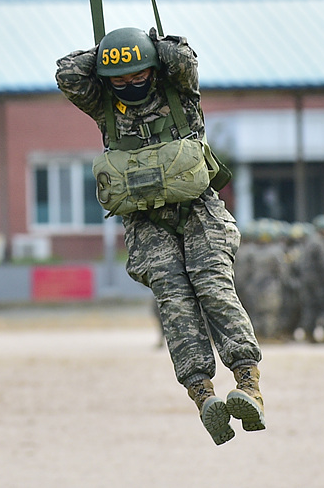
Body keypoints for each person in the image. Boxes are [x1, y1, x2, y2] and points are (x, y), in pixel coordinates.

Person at [56, 26, 263, 445]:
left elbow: (184, 61)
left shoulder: (180, 94)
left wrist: (157, 46)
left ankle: (248, 383)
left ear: (152, 70)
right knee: (174, 298)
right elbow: (67, 75)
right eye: (120, 78)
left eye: (138, 74)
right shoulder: (105, 107)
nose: (130, 84)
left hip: (198, 210)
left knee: (212, 286)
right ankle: (203, 394)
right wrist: (104, 53)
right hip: (146, 222)